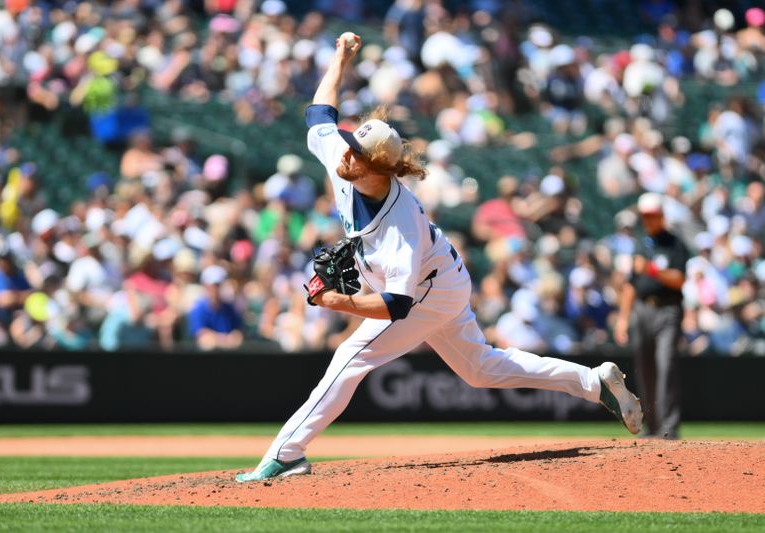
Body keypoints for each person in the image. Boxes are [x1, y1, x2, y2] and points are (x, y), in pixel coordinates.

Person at [236, 33, 643, 483]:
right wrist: (339, 59)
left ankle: (287, 453)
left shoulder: (400, 221)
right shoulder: (345, 157)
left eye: (356, 153)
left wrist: (339, 303)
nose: (345, 154)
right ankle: (594, 383)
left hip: (429, 288)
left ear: (378, 168)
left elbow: (397, 306)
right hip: (443, 276)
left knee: (351, 358)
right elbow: (319, 114)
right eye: (350, 145)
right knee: (480, 369)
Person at [614, 193, 688, 439]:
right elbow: (631, 285)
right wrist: (623, 318)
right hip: (642, 309)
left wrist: (652, 269)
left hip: (668, 309)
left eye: (652, 215)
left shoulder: (675, 244)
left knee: (666, 365)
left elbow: (678, 280)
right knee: (644, 369)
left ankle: (669, 427)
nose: (648, 220)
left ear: (661, 216)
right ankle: (652, 426)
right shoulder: (641, 244)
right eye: (644, 216)